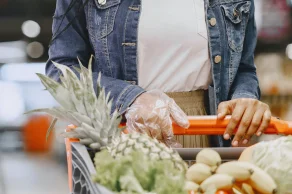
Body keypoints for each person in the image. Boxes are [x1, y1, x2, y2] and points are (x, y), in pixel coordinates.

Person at [46, 0, 271, 148]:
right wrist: (130, 98)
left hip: (205, 134)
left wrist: (246, 97)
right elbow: (62, 71)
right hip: (123, 134)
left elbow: (243, 68)